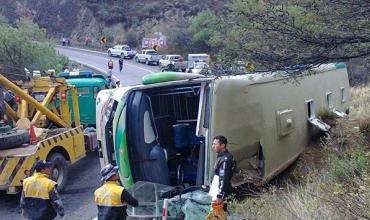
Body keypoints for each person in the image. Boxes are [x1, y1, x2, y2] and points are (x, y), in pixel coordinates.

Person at [211, 135, 236, 208]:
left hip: (222, 193)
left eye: (215, 144)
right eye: (213, 144)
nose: (213, 146)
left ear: (222, 145)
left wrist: (220, 194)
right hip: (220, 189)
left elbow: (223, 178)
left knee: (219, 215)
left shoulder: (225, 160)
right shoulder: (225, 157)